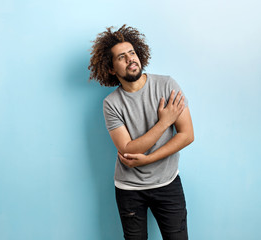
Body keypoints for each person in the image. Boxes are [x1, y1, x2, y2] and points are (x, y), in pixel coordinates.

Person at [88, 25, 194, 240]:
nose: (130, 59)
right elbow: (127, 150)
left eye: (132, 53)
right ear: (111, 69)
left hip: (168, 183)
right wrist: (165, 122)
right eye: (121, 57)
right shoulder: (111, 104)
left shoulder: (167, 85)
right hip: (129, 189)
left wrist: (148, 159)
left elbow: (187, 135)